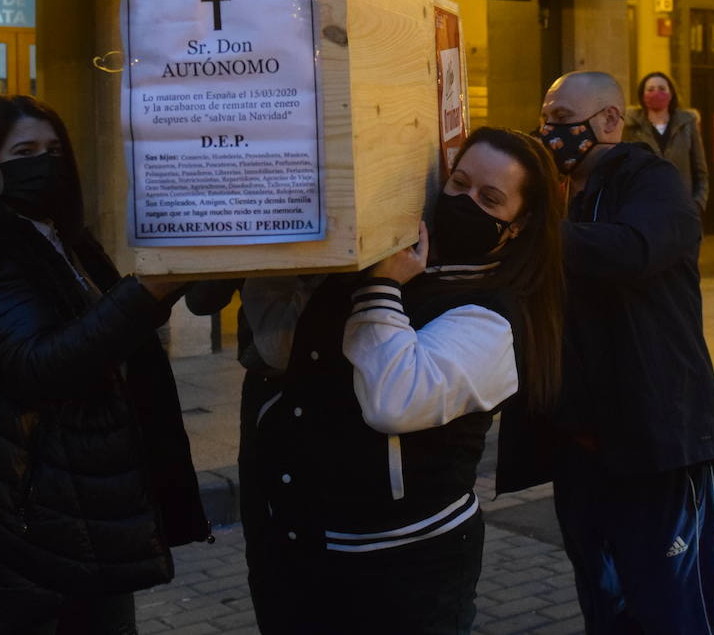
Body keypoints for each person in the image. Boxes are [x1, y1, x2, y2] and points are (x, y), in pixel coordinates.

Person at [190, 126, 565, 634]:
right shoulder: (413, 262)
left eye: (490, 198)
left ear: (518, 225)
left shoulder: (493, 314)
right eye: (459, 183)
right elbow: (290, 350)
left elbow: (393, 399)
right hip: (306, 552)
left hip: (403, 572)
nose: (465, 201)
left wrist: (381, 286)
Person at [0, 94, 207, 635]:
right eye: (24, 151)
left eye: (54, 150)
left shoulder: (62, 239)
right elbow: (39, 366)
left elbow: (107, 342)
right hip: (27, 517)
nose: (44, 163)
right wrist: (147, 292)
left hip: (78, 508)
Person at [536, 71, 714, 634]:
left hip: (657, 444)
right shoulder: (562, 193)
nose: (550, 133)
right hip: (585, 451)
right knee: (606, 603)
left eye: (562, 121)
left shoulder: (653, 180)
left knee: (670, 611)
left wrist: (532, 234)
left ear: (611, 121)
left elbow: (635, 250)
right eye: (545, 121)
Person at [621, 70, 709, 213]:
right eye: (650, 89)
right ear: (643, 96)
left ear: (671, 93)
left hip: (681, 210)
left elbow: (701, 172)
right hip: (643, 209)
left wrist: (697, 204)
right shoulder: (631, 127)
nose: (656, 93)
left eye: (662, 89)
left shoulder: (686, 123)